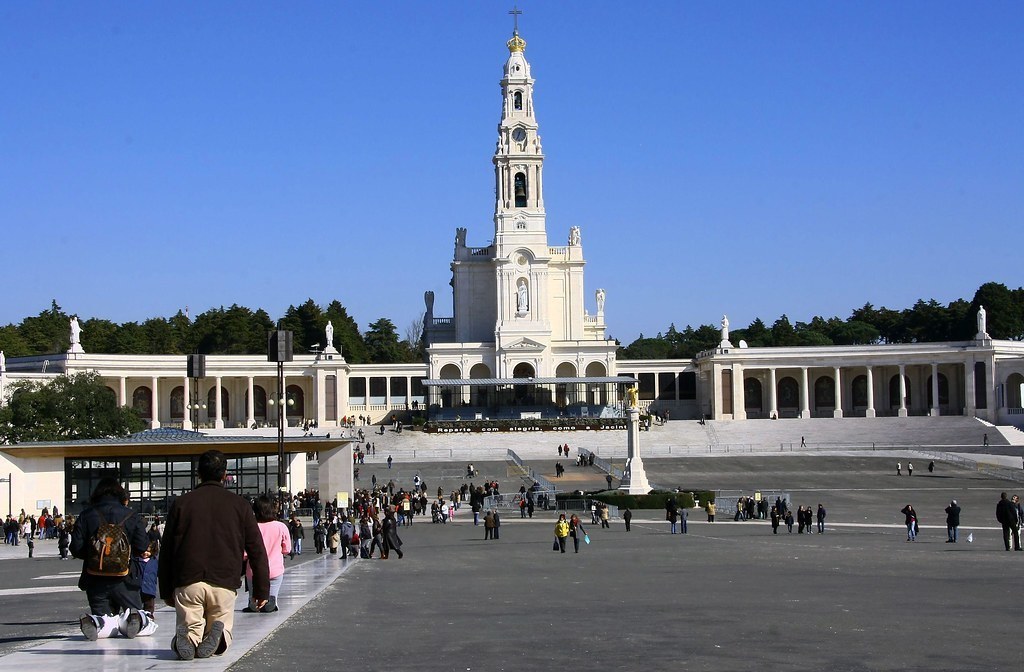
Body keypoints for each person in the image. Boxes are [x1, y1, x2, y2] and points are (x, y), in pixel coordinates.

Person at [159, 450, 270, 661]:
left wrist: (166, 589)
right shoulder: (240, 505)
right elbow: (257, 550)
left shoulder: (182, 503)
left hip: (188, 579)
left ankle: (188, 639)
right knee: (222, 623)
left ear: (198, 473)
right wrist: (262, 590)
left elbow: (167, 552)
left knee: (189, 624)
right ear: (224, 474)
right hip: (224, 580)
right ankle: (218, 638)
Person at [70, 478, 152, 641]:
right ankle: (135, 619)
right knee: (142, 623)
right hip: (125, 577)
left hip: (95, 577)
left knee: (105, 624)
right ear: (121, 495)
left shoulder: (86, 515)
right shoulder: (130, 515)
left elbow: (76, 548)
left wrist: (97, 555)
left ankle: (97, 622)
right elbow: (142, 545)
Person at [244, 495, 290, 613]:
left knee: (253, 595)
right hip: (275, 568)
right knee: (272, 592)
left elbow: (244, 553)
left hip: (254, 570)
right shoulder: (281, 526)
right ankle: (271, 601)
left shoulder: (251, 527)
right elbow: (287, 549)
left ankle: (253, 603)